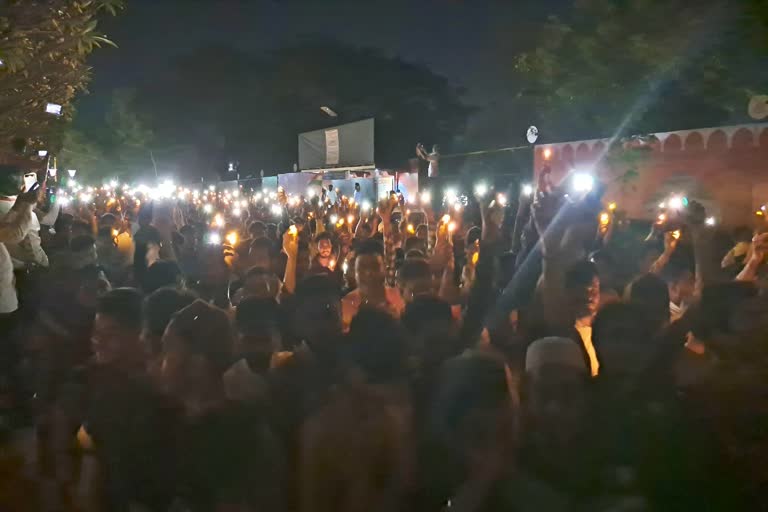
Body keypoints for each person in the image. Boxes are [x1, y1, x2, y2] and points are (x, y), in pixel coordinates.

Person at [341, 239, 405, 330]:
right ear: (355, 271)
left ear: (384, 268)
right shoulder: (346, 305)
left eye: (374, 266)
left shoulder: (398, 299)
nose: (368, 273)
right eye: (362, 267)